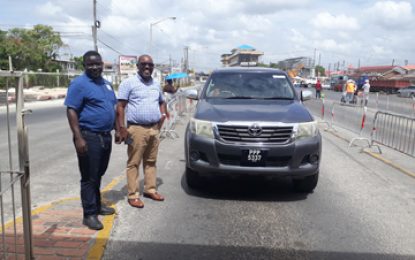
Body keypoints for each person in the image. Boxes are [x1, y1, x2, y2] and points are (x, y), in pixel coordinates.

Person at [64, 50, 116, 230]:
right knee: (88, 177)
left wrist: (119, 128)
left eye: (97, 64)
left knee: (98, 174)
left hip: (105, 136)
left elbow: (111, 106)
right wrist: (78, 137)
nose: (95, 67)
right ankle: (89, 214)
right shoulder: (79, 84)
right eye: (90, 64)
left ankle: (97, 204)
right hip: (89, 136)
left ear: (102, 64)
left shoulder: (106, 83)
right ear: (84, 66)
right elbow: (71, 110)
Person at [116, 54, 167, 209]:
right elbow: (120, 106)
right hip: (136, 129)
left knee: (151, 161)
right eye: (144, 64)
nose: (147, 67)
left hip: (154, 128)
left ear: (153, 67)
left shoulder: (156, 84)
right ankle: (133, 195)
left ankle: (150, 189)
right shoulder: (128, 83)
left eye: (150, 65)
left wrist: (162, 117)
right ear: (137, 66)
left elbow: (162, 102)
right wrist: (122, 128)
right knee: (134, 163)